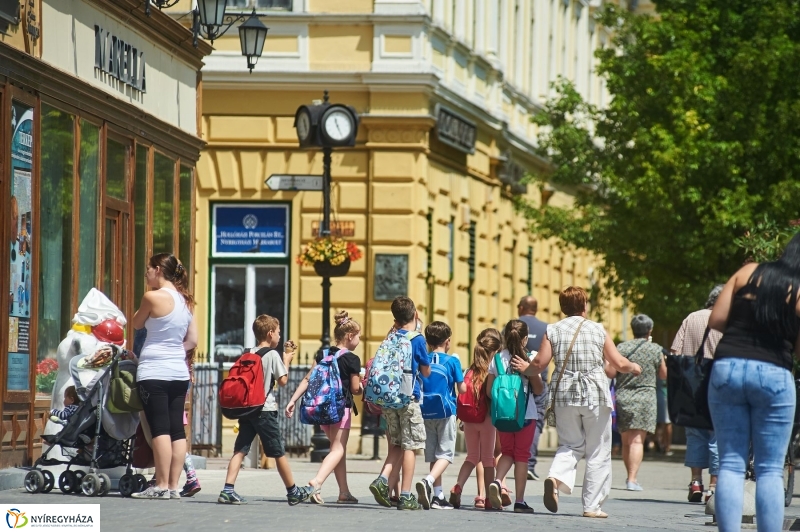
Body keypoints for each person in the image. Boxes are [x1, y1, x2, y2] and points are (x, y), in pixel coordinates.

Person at [513, 286, 642, 518]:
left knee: (570, 444)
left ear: (563, 307)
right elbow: (618, 362)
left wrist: (526, 368)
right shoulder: (597, 329)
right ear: (584, 305)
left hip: (564, 394)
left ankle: (555, 477)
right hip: (595, 395)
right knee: (598, 451)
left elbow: (540, 364)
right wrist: (633, 367)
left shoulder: (553, 330)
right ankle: (592, 506)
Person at [707, 237, 800, 532]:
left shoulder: (747, 272)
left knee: (731, 464)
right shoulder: (797, 289)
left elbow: (717, 319)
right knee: (770, 470)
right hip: (774, 373)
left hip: (728, 368)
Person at [218, 314, 310, 506]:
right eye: (277, 332)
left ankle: (228, 489)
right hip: (265, 409)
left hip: (248, 409)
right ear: (270, 334)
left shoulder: (247, 352)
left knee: (240, 449)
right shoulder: (271, 354)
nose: (279, 336)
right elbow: (283, 381)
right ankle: (293, 491)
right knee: (278, 451)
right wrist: (287, 359)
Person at [131, 253, 197, 500]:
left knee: (159, 429)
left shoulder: (151, 297)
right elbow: (192, 340)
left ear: (158, 270)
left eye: (148, 269)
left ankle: (159, 485)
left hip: (153, 370)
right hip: (178, 372)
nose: (146, 274)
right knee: (177, 430)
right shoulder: (186, 301)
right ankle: (173, 486)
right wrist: (173, 352)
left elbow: (137, 323)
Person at [285, 310, 363, 505]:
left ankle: (344, 492)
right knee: (338, 450)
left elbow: (307, 379)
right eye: (359, 336)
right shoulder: (351, 359)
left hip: (321, 408)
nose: (360, 340)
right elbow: (355, 389)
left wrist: (293, 400)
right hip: (340, 409)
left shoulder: (322, 353)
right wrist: (363, 385)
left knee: (336, 450)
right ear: (350, 336)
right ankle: (317, 482)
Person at [368, 296, 431, 511]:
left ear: (395, 318)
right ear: (414, 315)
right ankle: (405, 495)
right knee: (410, 446)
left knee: (396, 443)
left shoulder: (391, 335)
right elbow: (425, 371)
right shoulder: (418, 339)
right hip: (408, 397)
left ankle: (382, 479)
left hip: (389, 398)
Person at [671, 285, 723, 502]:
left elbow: (675, 351)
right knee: (717, 435)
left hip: (692, 385)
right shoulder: (727, 320)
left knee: (695, 435)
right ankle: (713, 486)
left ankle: (695, 482)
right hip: (719, 382)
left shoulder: (691, 318)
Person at [486, 320, 544, 514]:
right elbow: (538, 389)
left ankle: (497, 481)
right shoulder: (531, 358)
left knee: (508, 452)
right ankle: (520, 501)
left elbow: (488, 391)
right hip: (526, 415)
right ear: (525, 339)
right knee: (521, 457)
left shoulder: (496, 359)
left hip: (503, 415)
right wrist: (527, 370)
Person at [609, 314, 667, 491]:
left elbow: (611, 372)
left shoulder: (622, 347)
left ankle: (630, 476)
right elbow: (664, 375)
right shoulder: (656, 349)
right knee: (637, 442)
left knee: (627, 441)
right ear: (649, 331)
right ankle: (632, 479)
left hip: (624, 397)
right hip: (645, 398)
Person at [449, 328, 502, 510]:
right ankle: (488, 499)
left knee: (471, 457)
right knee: (488, 459)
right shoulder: (492, 372)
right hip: (486, 420)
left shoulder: (469, 371)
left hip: (469, 419)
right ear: (495, 351)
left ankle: (458, 487)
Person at [415, 321, 465, 510]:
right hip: (446, 411)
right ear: (448, 341)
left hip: (426, 412)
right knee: (445, 453)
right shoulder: (452, 361)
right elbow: (462, 388)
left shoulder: (424, 359)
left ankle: (438, 496)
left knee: (434, 455)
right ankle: (428, 481)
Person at [516, 296, 549, 481]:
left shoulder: (513, 325)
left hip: (513, 382)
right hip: (538, 381)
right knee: (535, 422)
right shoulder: (546, 328)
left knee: (512, 417)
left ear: (521, 307)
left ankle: (509, 458)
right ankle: (528, 463)